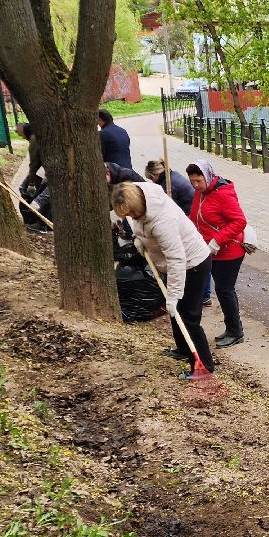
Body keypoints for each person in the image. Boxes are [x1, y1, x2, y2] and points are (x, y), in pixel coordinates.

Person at [109, 181, 215, 378]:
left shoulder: (161, 221)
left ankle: (204, 367)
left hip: (193, 264)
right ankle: (183, 349)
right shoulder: (141, 195)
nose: (130, 217)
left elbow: (177, 259)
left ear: (138, 207)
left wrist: (174, 296)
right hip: (178, 263)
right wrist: (140, 240)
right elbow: (140, 226)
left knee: (188, 317)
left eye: (131, 213)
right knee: (177, 312)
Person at [185, 162, 246, 348]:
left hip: (230, 250)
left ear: (208, 176)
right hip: (211, 250)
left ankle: (236, 332)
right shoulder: (201, 193)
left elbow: (239, 221)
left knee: (224, 290)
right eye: (192, 181)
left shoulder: (223, 194)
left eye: (198, 180)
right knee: (222, 289)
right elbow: (196, 217)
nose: (195, 185)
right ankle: (232, 329)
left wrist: (217, 240)